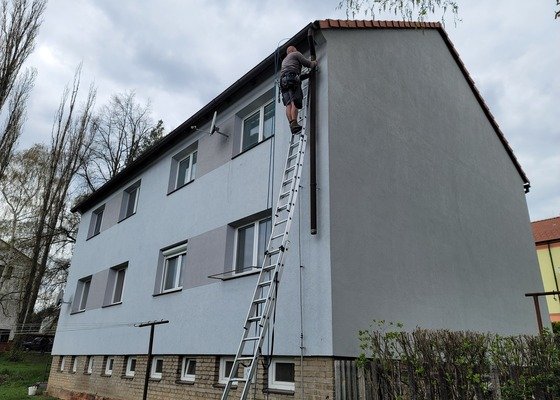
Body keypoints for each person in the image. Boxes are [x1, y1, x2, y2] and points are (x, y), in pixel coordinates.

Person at [280, 46, 317, 134]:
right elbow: (308, 64)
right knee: (294, 102)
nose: (297, 50)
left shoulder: (285, 61)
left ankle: (291, 124)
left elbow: (297, 75)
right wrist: (314, 63)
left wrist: (307, 75)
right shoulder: (296, 54)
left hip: (283, 82)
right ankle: (294, 123)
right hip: (292, 78)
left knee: (288, 104)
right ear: (292, 50)